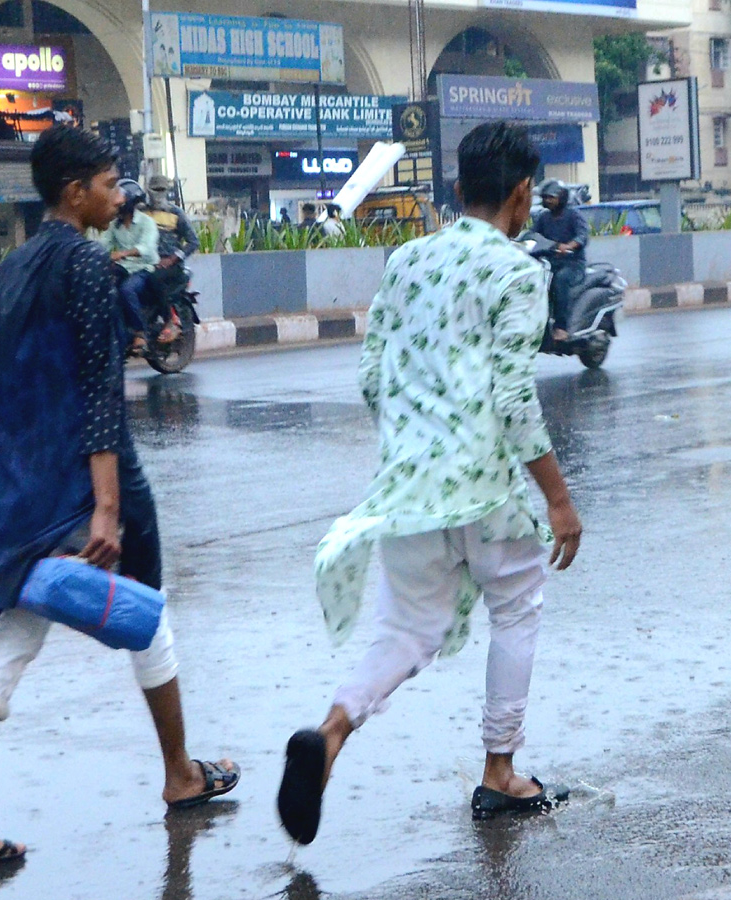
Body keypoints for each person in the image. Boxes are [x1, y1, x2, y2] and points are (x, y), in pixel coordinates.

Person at [0, 126, 239, 870]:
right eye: (107, 182)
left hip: (18, 493)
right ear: (75, 193)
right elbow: (100, 392)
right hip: (90, 485)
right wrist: (103, 506)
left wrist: (15, 460)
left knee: (14, 635)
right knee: (147, 614)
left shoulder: (10, 271)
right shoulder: (88, 266)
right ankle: (179, 775)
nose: (118, 194)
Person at [277, 121, 583, 845]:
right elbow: (513, 398)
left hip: (409, 485)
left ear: (454, 190)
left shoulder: (408, 260)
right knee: (517, 603)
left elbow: (373, 377)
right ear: (520, 196)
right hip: (482, 486)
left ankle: (332, 730)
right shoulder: (517, 272)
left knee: (407, 630)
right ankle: (501, 771)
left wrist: (417, 445)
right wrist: (560, 500)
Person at [100, 178, 159, 355]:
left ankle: (140, 333)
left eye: (120, 199)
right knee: (105, 288)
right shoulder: (113, 225)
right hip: (124, 268)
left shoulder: (147, 223)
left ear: (129, 202)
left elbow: (147, 249)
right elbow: (103, 244)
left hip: (145, 268)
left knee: (126, 290)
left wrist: (123, 254)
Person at [144, 175, 199, 343]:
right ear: (148, 191)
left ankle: (170, 320)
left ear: (167, 191)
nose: (158, 194)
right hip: (145, 262)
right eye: (155, 190)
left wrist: (173, 258)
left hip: (170, 266)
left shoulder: (176, 213)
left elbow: (193, 241)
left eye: (162, 190)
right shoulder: (141, 212)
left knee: (154, 278)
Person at [532, 181, 588, 341]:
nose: (548, 200)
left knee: (560, 280)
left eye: (552, 197)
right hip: (549, 262)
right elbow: (533, 234)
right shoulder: (543, 217)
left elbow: (582, 235)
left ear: (562, 198)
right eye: (545, 197)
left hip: (572, 264)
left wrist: (569, 245)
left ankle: (561, 326)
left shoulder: (573, 215)